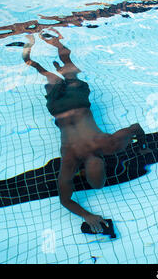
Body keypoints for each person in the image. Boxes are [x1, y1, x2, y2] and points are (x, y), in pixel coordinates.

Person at [22, 28, 148, 233]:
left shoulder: (108, 144)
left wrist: (141, 144)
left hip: (78, 102)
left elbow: (135, 128)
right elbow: (65, 200)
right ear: (82, 170)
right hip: (58, 110)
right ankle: (29, 52)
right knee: (48, 76)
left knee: (69, 70)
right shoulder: (70, 159)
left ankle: (56, 43)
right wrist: (87, 216)